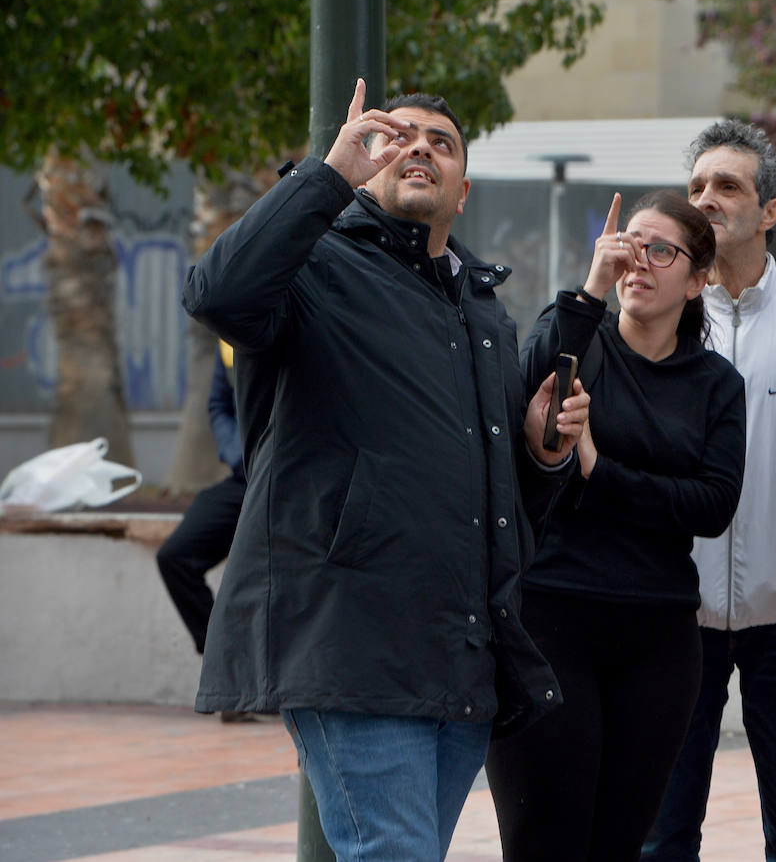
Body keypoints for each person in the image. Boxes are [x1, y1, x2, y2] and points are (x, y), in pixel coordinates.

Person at [181, 79, 588, 862]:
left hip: (458, 655)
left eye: (441, 141)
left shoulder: (484, 313)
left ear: (462, 191)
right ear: (370, 162)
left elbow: (501, 507)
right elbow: (218, 293)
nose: (420, 148)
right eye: (399, 136)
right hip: (349, 645)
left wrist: (542, 453)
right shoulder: (314, 265)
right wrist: (325, 175)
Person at [485, 190, 747, 862]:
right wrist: (590, 286)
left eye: (662, 251)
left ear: (697, 280)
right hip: (551, 614)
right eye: (631, 245)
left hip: (657, 631)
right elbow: (524, 390)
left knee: (619, 840)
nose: (640, 262)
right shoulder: (582, 339)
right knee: (544, 836)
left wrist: (601, 471)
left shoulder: (716, 383)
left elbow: (712, 505)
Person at [642, 121, 776, 862]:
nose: (707, 200)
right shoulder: (654, 321)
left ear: (770, 210)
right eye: (696, 187)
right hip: (674, 619)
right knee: (660, 835)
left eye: (728, 186)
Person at [155, 341, 245, 664]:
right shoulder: (227, 338)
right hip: (245, 476)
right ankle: (229, 671)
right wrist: (237, 454)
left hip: (293, 481)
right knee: (176, 557)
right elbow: (219, 405)